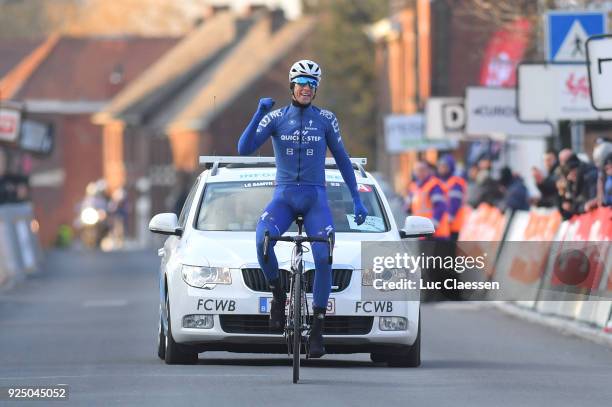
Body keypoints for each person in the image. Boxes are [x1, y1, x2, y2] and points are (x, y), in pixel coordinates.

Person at [237, 59, 368, 358]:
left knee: (323, 257)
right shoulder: (275, 118)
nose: (307, 89)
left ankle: (319, 328)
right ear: (292, 86)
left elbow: (344, 160)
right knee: (262, 240)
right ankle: (278, 294)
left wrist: (357, 199)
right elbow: (244, 148)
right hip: (284, 198)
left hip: (315, 199)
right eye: (302, 83)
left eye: (312, 85)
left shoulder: (326, 119)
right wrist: (258, 112)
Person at [406, 160, 450, 239]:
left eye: (422, 170)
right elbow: (408, 207)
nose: (419, 173)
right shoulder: (414, 186)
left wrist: (433, 226)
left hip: (437, 234)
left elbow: (440, 206)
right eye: (416, 170)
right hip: (422, 233)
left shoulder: (434, 185)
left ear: (427, 171)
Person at [437, 154, 467, 241]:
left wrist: (449, 219)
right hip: (443, 225)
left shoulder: (455, 183)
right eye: (440, 166)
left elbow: (455, 203)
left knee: (449, 251)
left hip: (453, 225)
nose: (441, 168)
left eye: (444, 166)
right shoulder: (440, 181)